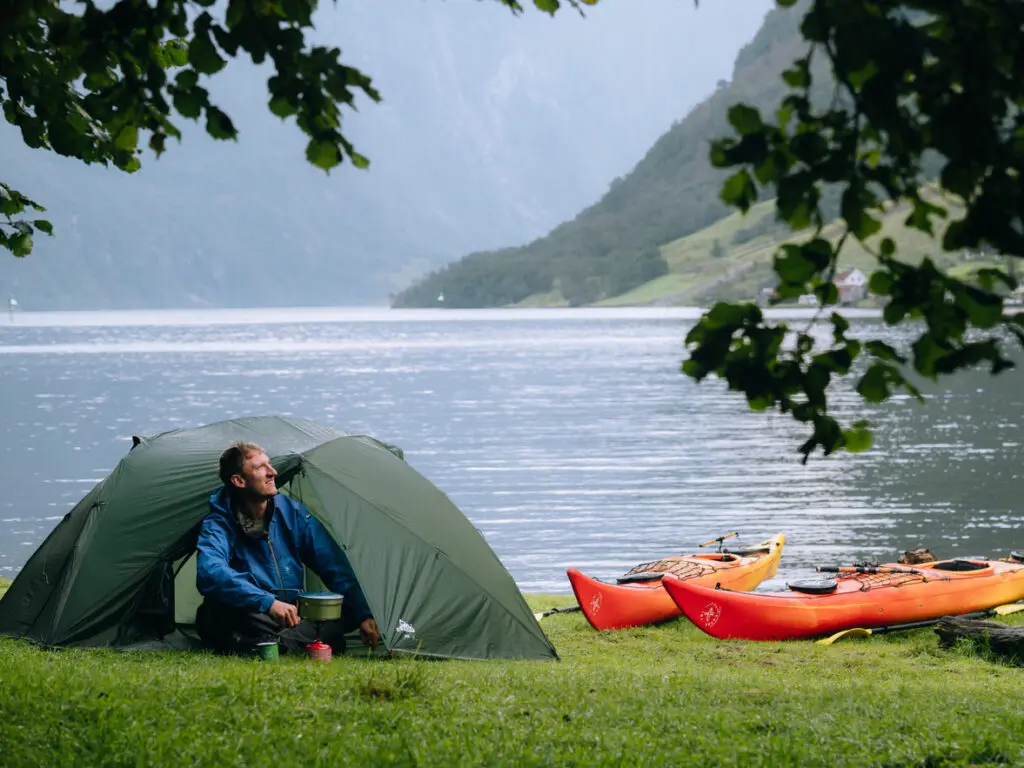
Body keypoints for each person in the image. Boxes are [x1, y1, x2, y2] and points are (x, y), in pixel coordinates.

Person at [195, 441, 380, 655]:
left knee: (341, 608)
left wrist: (364, 614)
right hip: (254, 611)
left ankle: (277, 643)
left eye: (269, 464)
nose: (272, 472)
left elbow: (335, 566)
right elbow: (210, 572)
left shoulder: (293, 514)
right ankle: (301, 641)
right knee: (220, 612)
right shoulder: (219, 523)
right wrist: (267, 602)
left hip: (291, 613)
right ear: (239, 480)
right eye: (259, 468)